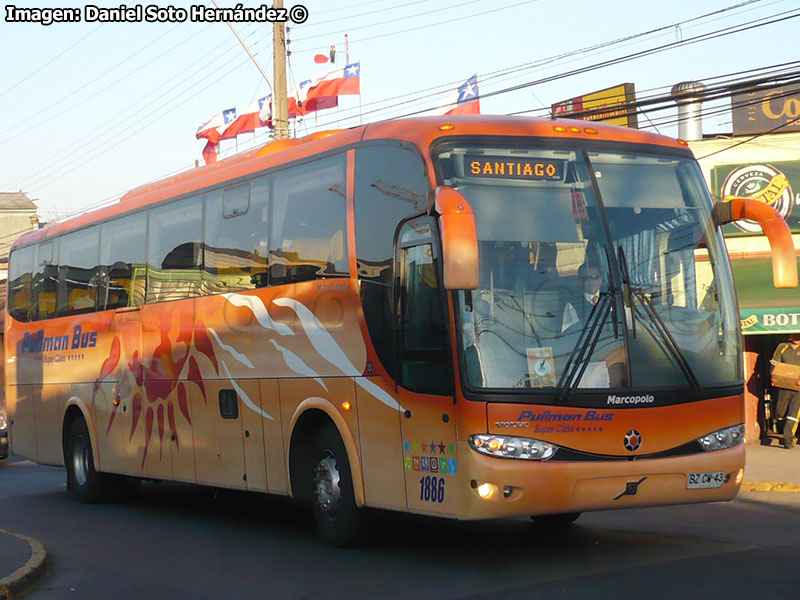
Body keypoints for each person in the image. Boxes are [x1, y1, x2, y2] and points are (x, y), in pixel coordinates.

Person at [771, 334, 800, 449]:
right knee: (780, 412)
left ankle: (788, 439)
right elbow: (775, 364)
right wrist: (773, 376)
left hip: (798, 388)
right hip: (784, 385)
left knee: (794, 413)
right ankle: (781, 425)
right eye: (795, 334)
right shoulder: (782, 347)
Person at [561, 262, 604, 333]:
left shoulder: (612, 298)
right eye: (586, 278)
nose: (591, 282)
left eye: (594, 277)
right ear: (580, 281)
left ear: (601, 279)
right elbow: (568, 333)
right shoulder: (572, 305)